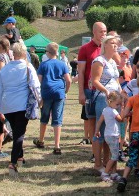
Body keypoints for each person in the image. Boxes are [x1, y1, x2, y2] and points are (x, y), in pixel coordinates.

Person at [0, 42, 40, 177]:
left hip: (7, 105)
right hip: (21, 105)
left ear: (13, 54)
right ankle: (13, 163)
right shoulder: (27, 67)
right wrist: (40, 100)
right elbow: (35, 86)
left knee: (16, 130)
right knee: (19, 134)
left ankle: (20, 157)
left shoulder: (5, 69)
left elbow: (0, 90)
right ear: (24, 53)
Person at [90, 34, 122, 173]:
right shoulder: (99, 60)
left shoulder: (113, 62)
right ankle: (98, 163)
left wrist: (121, 94)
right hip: (103, 98)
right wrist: (106, 91)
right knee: (101, 130)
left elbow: (116, 81)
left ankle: (107, 162)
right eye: (113, 43)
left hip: (115, 99)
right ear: (105, 45)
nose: (116, 46)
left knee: (111, 131)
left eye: (117, 44)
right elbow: (95, 81)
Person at [34, 42, 71, 154]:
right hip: (59, 93)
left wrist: (38, 96)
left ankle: (41, 140)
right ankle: (57, 145)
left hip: (47, 93)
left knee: (44, 117)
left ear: (48, 53)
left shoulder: (43, 65)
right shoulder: (62, 64)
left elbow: (38, 81)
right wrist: (65, 91)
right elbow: (68, 80)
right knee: (57, 118)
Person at [77, 22, 107, 156]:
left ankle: (103, 152)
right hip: (90, 90)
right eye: (101, 32)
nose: (103, 34)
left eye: (105, 32)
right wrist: (81, 92)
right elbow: (81, 72)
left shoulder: (106, 48)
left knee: (105, 121)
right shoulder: (85, 49)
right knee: (92, 121)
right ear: (94, 32)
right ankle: (95, 153)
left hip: (105, 91)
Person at [95, 91, 125, 182]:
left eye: (120, 104)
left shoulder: (105, 110)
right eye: (117, 104)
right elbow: (121, 119)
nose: (119, 106)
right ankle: (106, 173)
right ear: (110, 101)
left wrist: (97, 131)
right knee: (114, 156)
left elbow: (99, 121)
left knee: (113, 154)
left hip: (107, 135)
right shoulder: (113, 111)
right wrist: (124, 110)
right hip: (113, 136)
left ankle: (114, 173)